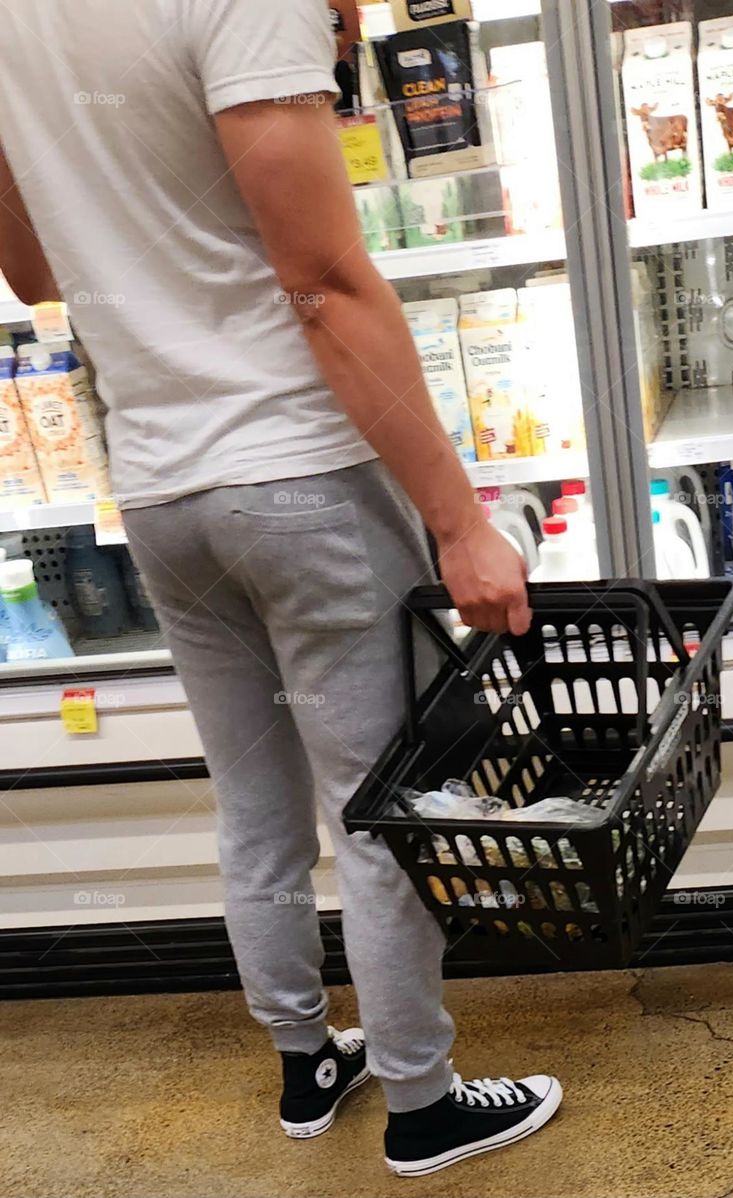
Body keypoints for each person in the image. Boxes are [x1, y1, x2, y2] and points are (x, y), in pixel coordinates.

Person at [0, 0, 562, 1178]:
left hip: (158, 484)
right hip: (298, 470)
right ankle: (422, 1100)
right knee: (379, 806)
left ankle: (310, 1061)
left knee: (254, 806)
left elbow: (33, 262)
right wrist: (460, 523)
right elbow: (318, 279)